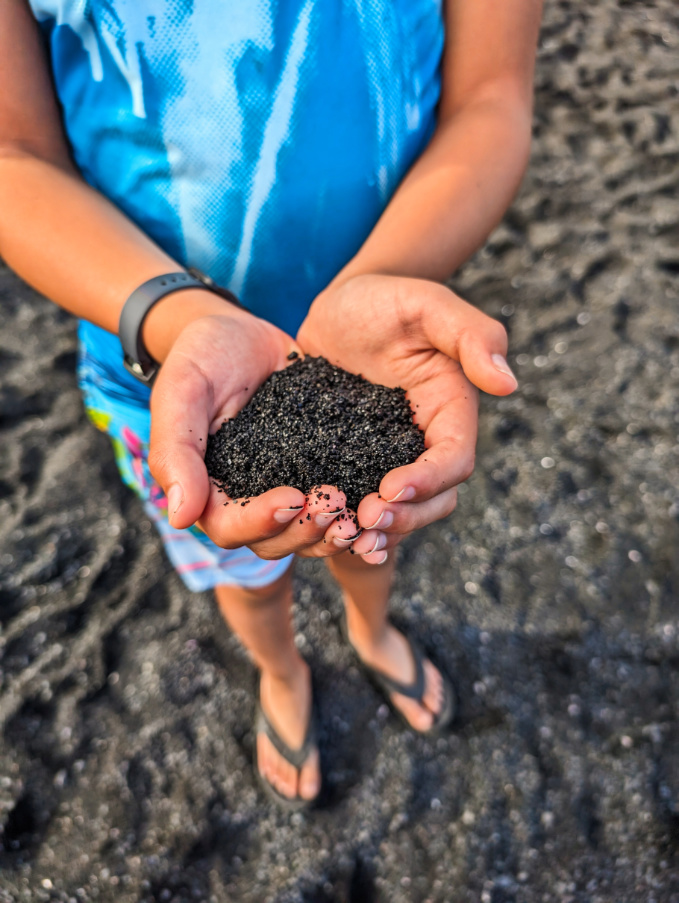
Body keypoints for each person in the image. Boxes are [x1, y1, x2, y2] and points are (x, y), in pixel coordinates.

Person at [0, 0, 543, 808]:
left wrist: (373, 278)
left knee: (370, 529)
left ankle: (370, 630)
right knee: (246, 565)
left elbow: (491, 98)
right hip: (167, 366)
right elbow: (13, 155)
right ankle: (280, 670)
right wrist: (180, 315)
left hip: (372, 350)